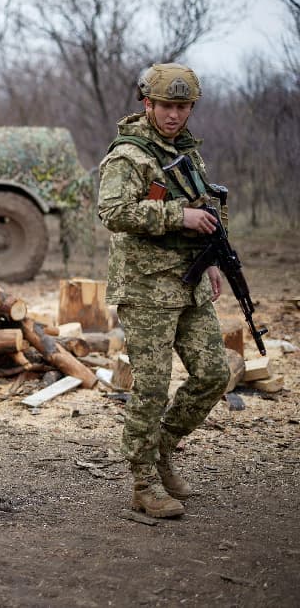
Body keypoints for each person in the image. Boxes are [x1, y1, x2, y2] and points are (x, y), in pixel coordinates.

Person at [98, 63, 230, 518]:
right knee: (152, 389)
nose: (174, 115)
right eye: (166, 106)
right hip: (147, 287)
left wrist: (212, 258)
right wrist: (178, 217)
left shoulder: (187, 151)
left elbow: (204, 208)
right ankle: (143, 482)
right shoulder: (129, 154)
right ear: (147, 104)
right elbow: (112, 211)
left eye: (182, 107)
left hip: (190, 281)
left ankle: (162, 449)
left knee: (214, 374)